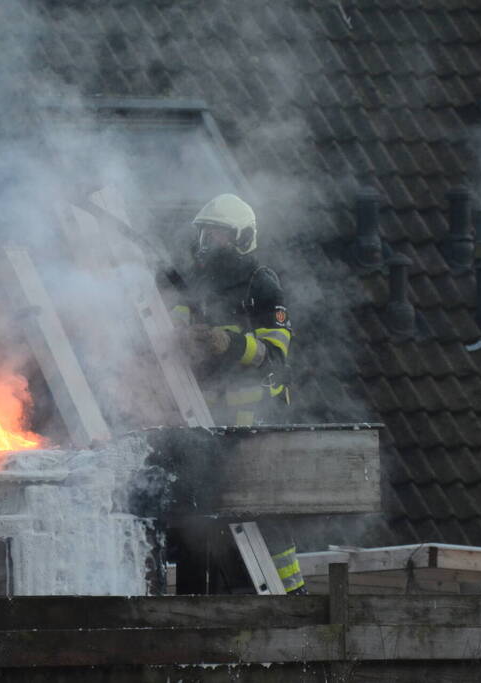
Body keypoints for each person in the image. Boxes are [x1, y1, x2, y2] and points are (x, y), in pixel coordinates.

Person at [172, 193, 305, 594]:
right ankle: (211, 601)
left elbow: (274, 353)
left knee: (262, 514)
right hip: (208, 419)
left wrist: (227, 343)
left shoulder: (260, 283)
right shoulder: (194, 280)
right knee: (201, 517)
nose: (209, 241)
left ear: (241, 237)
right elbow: (174, 320)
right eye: (205, 233)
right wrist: (177, 330)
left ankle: (292, 599)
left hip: (255, 420)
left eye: (218, 234)